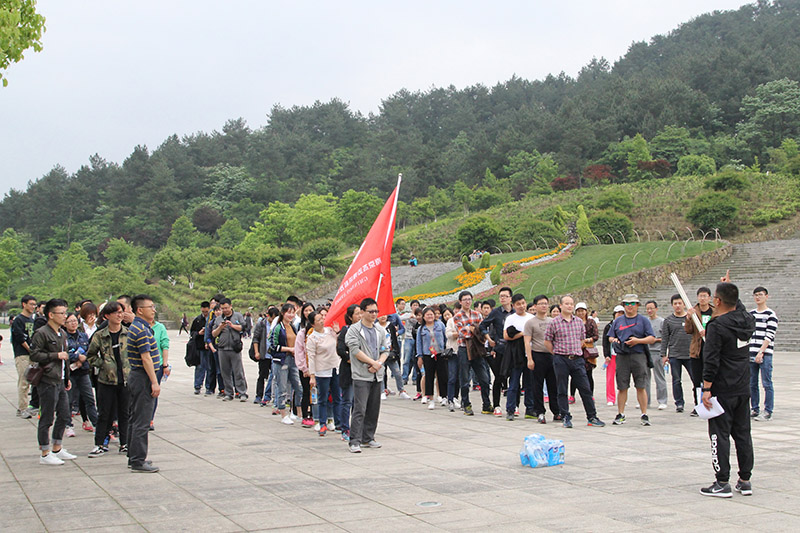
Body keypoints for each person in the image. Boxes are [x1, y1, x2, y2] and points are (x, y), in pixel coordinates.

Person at [697, 282, 755, 498]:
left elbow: (710, 360)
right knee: (743, 434)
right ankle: (745, 479)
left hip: (722, 388)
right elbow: (739, 308)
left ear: (717, 301)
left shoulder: (717, 326)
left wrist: (706, 388)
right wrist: (731, 292)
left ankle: (722, 482)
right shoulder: (747, 320)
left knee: (719, 434)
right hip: (742, 386)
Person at [544, 295, 605, 428]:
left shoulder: (578, 322)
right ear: (561, 306)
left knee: (585, 389)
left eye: (571, 304)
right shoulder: (554, 322)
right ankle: (565, 416)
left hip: (577, 359)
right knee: (562, 389)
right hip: (561, 359)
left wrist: (576, 349)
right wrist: (555, 353)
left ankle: (592, 416)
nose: (570, 306)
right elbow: (547, 341)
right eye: (567, 303)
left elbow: (582, 340)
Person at [30, 298, 77, 465]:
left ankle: (57, 446)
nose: (65, 316)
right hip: (47, 380)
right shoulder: (42, 333)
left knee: (64, 415)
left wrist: (67, 379)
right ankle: (44, 452)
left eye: (65, 312)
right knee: (47, 417)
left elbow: (65, 360)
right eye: (62, 313)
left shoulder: (62, 333)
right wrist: (55, 355)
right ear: (51, 315)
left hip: (61, 380)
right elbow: (34, 355)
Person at [345, 298, 389, 453]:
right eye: (371, 311)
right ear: (362, 312)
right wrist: (372, 362)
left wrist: (379, 363)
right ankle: (354, 440)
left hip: (377, 374)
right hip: (361, 375)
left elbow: (386, 349)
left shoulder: (380, 330)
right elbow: (355, 350)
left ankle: (368, 437)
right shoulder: (354, 330)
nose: (374, 314)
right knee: (360, 408)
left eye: (376, 311)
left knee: (373, 408)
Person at [87, 301, 130, 458]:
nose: (120, 315)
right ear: (107, 316)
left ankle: (125, 443)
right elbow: (90, 355)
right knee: (105, 413)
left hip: (125, 379)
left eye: (121, 312)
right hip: (106, 380)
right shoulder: (100, 335)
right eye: (116, 312)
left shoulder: (128, 333)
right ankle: (99, 443)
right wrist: (103, 364)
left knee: (125, 413)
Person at [608, 294, 655, 426]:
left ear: (637, 305)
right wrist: (615, 340)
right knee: (622, 386)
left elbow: (651, 338)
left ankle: (644, 414)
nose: (630, 306)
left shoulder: (643, 320)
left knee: (641, 385)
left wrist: (638, 341)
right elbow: (610, 337)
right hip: (622, 355)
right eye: (627, 304)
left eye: (633, 303)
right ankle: (621, 413)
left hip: (638, 354)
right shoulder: (618, 321)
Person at [126, 295, 161, 473]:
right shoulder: (140, 330)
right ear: (140, 310)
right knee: (142, 420)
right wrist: (154, 382)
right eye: (151, 307)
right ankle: (138, 460)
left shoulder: (140, 327)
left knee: (135, 417)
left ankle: (133, 456)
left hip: (138, 376)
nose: (153, 310)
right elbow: (146, 358)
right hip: (142, 377)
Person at [453, 291, 492, 416]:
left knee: (484, 378)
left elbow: (481, 331)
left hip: (477, 349)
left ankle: (486, 404)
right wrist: (474, 330)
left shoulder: (477, 315)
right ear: (460, 302)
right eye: (464, 299)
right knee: (464, 379)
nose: (467, 301)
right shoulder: (457, 316)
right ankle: (466, 404)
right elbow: (464, 333)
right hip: (464, 348)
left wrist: (473, 329)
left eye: (469, 299)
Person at [523, 295, 559, 423]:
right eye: (541, 303)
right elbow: (527, 342)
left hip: (552, 356)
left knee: (553, 385)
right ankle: (540, 412)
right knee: (537, 386)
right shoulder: (530, 322)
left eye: (545, 303)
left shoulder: (553, 321)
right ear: (535, 306)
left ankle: (556, 411)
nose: (544, 306)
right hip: (537, 355)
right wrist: (530, 359)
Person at [305, 310, 341, 437]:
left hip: (335, 367)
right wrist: (312, 375)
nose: (322, 320)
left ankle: (338, 423)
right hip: (322, 370)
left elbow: (338, 344)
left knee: (337, 397)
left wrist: (337, 332)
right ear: (313, 324)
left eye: (322, 318)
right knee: (322, 398)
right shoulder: (312, 338)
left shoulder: (330, 331)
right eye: (319, 319)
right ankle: (322, 423)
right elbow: (311, 357)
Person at [480, 287, 513, 416]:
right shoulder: (496, 313)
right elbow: (483, 325)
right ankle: (497, 405)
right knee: (499, 377)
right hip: (500, 349)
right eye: (501, 296)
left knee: (513, 377)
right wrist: (489, 339)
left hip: (514, 349)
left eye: (505, 296)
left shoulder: (515, 312)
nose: (503, 298)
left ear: (510, 298)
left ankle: (513, 405)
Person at [270, 303, 303, 425]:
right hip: (281, 361)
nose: (291, 315)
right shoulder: (278, 328)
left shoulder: (293, 327)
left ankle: (298, 412)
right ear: (283, 313)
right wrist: (289, 349)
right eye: (288, 312)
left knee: (298, 387)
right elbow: (273, 346)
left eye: (293, 312)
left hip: (293, 360)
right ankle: (283, 413)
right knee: (282, 388)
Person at [65, 313, 97, 436]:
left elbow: (90, 350)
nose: (73, 323)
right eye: (70, 321)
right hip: (70, 372)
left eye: (74, 321)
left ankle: (95, 423)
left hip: (83, 372)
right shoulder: (64, 337)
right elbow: (64, 353)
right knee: (69, 400)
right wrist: (77, 357)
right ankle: (68, 425)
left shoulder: (83, 336)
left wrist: (83, 360)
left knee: (89, 398)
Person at [748, 286, 778, 421]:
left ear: (766, 296)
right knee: (751, 383)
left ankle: (768, 410)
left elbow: (769, 335)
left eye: (760, 294)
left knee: (766, 382)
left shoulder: (771, 315)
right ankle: (754, 408)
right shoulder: (751, 314)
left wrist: (761, 352)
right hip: (751, 352)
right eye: (755, 295)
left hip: (764, 354)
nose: (758, 297)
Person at [685, 287, 714, 417]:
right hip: (697, 350)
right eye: (700, 296)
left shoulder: (715, 312)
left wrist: (708, 332)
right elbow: (688, 330)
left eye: (705, 296)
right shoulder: (694, 312)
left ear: (709, 297)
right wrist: (688, 318)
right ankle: (698, 405)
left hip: (711, 350)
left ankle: (711, 403)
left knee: (711, 378)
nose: (702, 298)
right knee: (696, 380)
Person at [661, 295, 693, 413]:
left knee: (695, 379)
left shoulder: (691, 318)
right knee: (676, 380)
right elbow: (665, 338)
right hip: (675, 354)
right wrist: (663, 355)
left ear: (684, 304)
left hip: (690, 354)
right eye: (675, 303)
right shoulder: (668, 320)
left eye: (680, 303)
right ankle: (679, 403)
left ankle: (697, 402)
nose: (678, 306)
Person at [503, 294, 533, 421]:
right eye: (518, 304)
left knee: (530, 383)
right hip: (516, 354)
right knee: (514, 383)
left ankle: (530, 409)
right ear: (513, 306)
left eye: (523, 303)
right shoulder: (511, 318)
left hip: (530, 353)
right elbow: (506, 336)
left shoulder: (532, 318)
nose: (521, 306)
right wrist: (522, 334)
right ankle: (511, 409)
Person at [212, 298, 248, 402]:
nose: (225, 310)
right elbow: (214, 334)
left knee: (238, 372)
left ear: (231, 306)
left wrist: (232, 326)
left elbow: (243, 327)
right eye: (223, 308)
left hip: (234, 348)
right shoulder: (219, 319)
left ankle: (242, 392)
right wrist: (220, 327)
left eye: (226, 308)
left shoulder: (238, 316)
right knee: (225, 372)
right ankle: (228, 393)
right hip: (222, 349)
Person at [337, 304, 362, 442]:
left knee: (359, 402)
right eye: (357, 313)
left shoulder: (365, 330)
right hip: (348, 370)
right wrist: (351, 359)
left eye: (360, 313)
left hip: (362, 371)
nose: (359, 316)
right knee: (347, 401)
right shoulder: (345, 330)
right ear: (350, 316)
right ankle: (345, 428)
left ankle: (357, 429)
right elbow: (340, 350)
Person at [416, 306, 447, 410]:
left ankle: (443, 396)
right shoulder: (421, 329)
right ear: (424, 317)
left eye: (431, 314)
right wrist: (419, 356)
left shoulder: (440, 325)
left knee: (442, 375)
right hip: (427, 355)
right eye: (427, 315)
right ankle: (431, 399)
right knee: (429, 376)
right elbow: (419, 343)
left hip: (440, 353)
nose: (430, 316)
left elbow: (445, 337)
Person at [12, 295, 37, 418]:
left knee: (32, 381)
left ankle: (28, 406)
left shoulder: (32, 320)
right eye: (31, 304)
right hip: (22, 355)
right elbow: (20, 338)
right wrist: (30, 349)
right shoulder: (19, 320)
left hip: (32, 355)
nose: (33, 307)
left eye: (34, 305)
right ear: (24, 304)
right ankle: (22, 408)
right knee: (24, 381)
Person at [252, 306, 277, 405]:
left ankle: (270, 396)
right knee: (262, 375)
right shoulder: (261, 324)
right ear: (268, 316)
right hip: (264, 354)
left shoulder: (277, 324)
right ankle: (259, 395)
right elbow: (255, 339)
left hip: (274, 355)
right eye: (272, 318)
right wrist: (257, 352)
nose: (273, 320)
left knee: (274, 377)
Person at [602, 305, 624, 406]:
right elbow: (605, 342)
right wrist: (606, 355)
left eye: (622, 313)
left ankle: (623, 396)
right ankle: (610, 398)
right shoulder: (609, 326)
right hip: (612, 356)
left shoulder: (626, 325)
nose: (619, 315)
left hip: (622, 355)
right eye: (618, 313)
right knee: (610, 378)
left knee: (623, 378)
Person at [150, 317, 170, 430]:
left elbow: (165, 346)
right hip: (141, 366)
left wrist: (165, 365)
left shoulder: (160, 327)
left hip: (157, 365)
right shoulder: (139, 327)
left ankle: (150, 419)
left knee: (154, 391)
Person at [190, 302, 210, 395]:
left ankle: (209, 387)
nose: (205, 313)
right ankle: (197, 385)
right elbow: (192, 333)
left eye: (206, 311)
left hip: (210, 346)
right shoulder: (197, 320)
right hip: (200, 347)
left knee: (210, 368)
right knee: (200, 367)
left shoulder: (212, 319)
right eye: (203, 311)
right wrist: (199, 333)